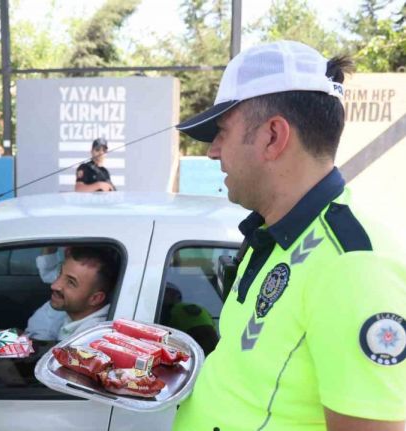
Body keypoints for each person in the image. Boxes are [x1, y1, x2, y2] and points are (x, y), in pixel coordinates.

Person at [173, 40, 406, 430]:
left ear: (272, 136)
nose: (213, 152)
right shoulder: (271, 233)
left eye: (222, 132)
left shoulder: (354, 267)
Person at [25, 246, 120, 341]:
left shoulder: (88, 338)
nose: (54, 285)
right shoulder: (76, 315)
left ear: (95, 298)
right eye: (60, 273)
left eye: (71, 282)